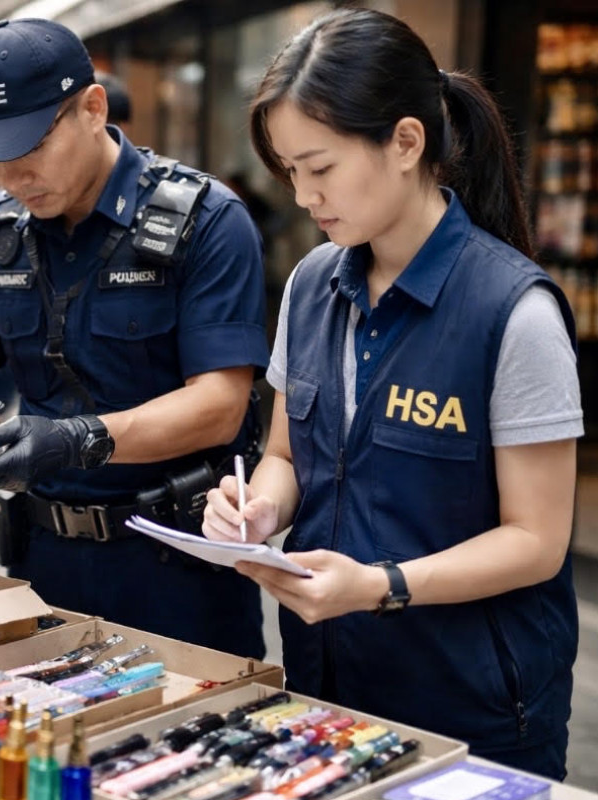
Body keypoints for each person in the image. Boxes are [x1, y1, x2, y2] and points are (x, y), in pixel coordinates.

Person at [202, 8, 580, 779]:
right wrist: (259, 508)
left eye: (321, 167)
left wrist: (380, 588)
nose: (304, 196)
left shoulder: (513, 311)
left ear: (406, 142)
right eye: (290, 172)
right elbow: (284, 453)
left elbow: (537, 542)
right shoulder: (312, 284)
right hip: (329, 687)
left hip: (470, 705)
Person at [0, 18, 270, 656]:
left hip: (176, 564)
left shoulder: (208, 221)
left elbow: (219, 407)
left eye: (29, 147)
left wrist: (75, 441)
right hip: (42, 564)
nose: (11, 175)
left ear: (92, 109)